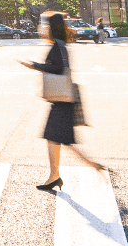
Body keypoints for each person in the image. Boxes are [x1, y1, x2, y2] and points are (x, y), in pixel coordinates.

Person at [23, 13, 104, 193]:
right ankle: (56, 175)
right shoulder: (60, 45)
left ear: (52, 28)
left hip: (62, 101)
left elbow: (58, 68)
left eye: (45, 26)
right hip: (61, 101)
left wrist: (35, 65)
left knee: (58, 139)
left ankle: (91, 166)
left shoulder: (58, 46)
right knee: (56, 139)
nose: (43, 29)